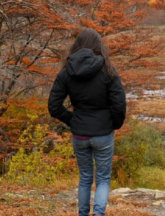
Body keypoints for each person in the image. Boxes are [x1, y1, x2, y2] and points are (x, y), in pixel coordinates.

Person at [48, 28, 127, 216]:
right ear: (98, 46)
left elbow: (54, 105)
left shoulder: (67, 71)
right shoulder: (108, 70)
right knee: (103, 179)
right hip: (103, 132)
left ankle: (83, 214)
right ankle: (98, 213)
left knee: (84, 178)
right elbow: (119, 104)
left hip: (80, 133)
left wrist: (73, 120)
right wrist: (113, 124)